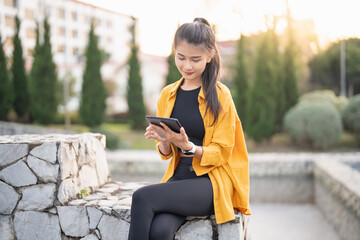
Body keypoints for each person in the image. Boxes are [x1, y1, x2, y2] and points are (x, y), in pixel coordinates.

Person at [128, 17, 251, 240]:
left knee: (142, 197)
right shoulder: (168, 94)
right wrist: (164, 139)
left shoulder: (221, 95)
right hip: (179, 179)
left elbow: (223, 151)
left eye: (195, 59)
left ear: (210, 56)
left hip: (209, 182)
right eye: (181, 57)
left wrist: (189, 147)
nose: (187, 66)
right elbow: (166, 154)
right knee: (160, 231)